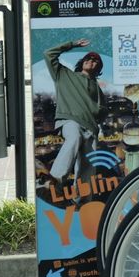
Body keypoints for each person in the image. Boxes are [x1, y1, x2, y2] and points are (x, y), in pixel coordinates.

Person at [42, 38, 104, 189]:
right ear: (82, 62)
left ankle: (82, 204)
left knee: (88, 169)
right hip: (70, 120)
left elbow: (103, 111)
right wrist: (72, 44)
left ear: (98, 68)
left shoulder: (98, 89)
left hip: (90, 128)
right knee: (74, 136)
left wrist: (96, 115)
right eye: (88, 58)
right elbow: (48, 54)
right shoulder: (63, 75)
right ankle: (55, 178)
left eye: (95, 60)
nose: (91, 60)